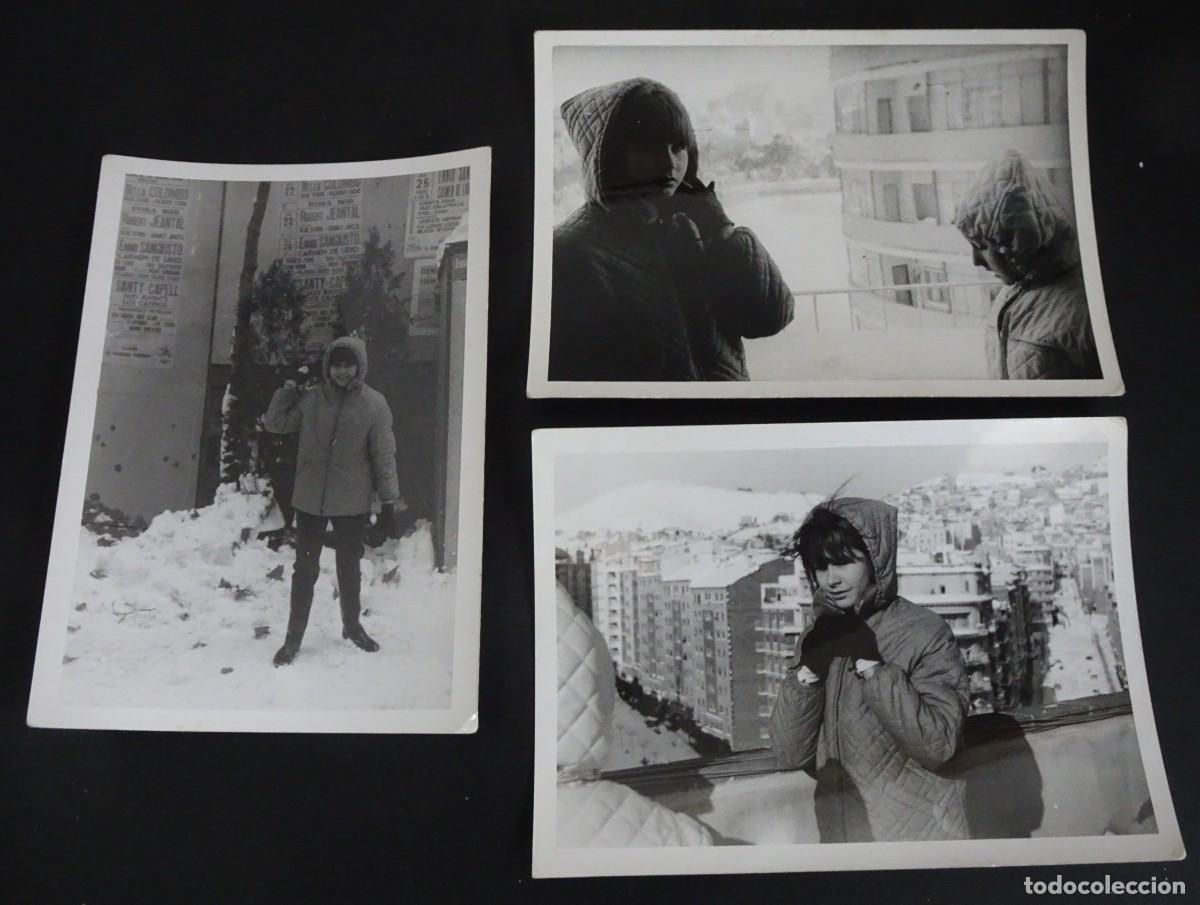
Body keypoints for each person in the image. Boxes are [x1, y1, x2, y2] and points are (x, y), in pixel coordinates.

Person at [550, 77, 794, 381]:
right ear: (609, 156)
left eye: (678, 147)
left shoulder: (692, 228)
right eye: (647, 146)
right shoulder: (567, 252)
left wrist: (721, 231)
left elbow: (770, 318)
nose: (668, 162)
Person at [770, 497, 970, 842]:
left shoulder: (925, 632)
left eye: (845, 562)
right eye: (821, 566)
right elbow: (789, 754)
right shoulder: (817, 636)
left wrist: (871, 664)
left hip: (920, 843)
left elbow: (940, 745)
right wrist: (809, 672)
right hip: (843, 842)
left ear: (876, 561)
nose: (831, 579)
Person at [263, 335, 403, 666]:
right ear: (328, 366)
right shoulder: (312, 399)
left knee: (349, 568)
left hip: (351, 502)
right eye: (337, 365)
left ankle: (352, 627)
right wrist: (289, 386)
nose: (342, 372)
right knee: (304, 570)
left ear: (359, 366)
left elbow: (384, 456)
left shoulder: (374, 405)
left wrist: (388, 503)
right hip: (310, 499)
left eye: (348, 364)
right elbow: (276, 423)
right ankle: (293, 639)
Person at [955, 149, 1101, 380]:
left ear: (1015, 240)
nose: (976, 261)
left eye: (981, 244)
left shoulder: (1087, 312)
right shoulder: (1015, 289)